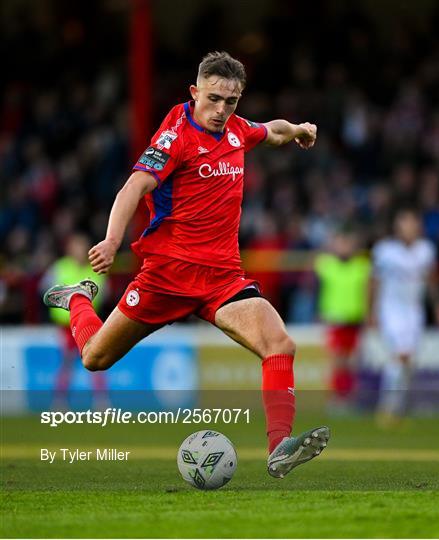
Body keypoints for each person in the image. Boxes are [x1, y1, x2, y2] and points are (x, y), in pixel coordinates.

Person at [43, 51, 329, 478]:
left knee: (280, 345)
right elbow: (135, 185)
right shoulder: (174, 137)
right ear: (195, 92)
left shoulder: (237, 131)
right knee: (94, 358)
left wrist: (300, 130)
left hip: (222, 280)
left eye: (230, 102)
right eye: (213, 99)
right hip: (166, 277)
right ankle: (78, 299)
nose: (221, 110)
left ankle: (278, 448)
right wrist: (112, 238)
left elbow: (271, 130)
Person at [370, 208, 439, 426]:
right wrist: (371, 310)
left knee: (409, 361)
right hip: (391, 309)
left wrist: (437, 305)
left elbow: (430, 281)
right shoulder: (385, 251)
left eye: (412, 223)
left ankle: (398, 408)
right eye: (404, 223)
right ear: (397, 227)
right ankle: (387, 406)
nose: (408, 228)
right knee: (401, 354)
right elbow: (374, 282)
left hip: (414, 311)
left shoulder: (426, 250)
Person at [40, 232, 108, 409]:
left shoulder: (95, 268)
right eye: (76, 246)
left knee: (97, 361)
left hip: (89, 323)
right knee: (67, 362)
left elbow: (104, 294)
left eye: (82, 246)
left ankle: (101, 402)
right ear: (69, 249)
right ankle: (59, 402)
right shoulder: (60, 267)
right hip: (66, 326)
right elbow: (45, 291)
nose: (79, 250)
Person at [315, 226, 371, 412]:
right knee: (337, 361)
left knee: (352, 362)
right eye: (341, 243)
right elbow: (317, 288)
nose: (345, 247)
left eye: (348, 243)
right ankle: (337, 399)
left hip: (355, 318)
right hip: (335, 318)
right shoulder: (326, 264)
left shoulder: (362, 266)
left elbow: (369, 292)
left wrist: (368, 313)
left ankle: (350, 398)